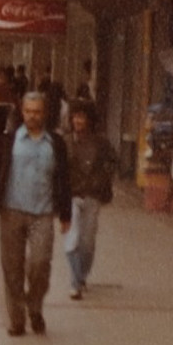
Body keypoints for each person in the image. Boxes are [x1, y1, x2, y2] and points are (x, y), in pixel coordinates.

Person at [0, 91, 73, 337]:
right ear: (22, 112)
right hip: (11, 212)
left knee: (40, 263)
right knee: (12, 268)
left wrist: (66, 213)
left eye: (37, 112)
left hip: (43, 214)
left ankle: (35, 306)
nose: (32, 116)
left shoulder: (55, 143)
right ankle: (17, 319)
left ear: (45, 113)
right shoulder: (8, 141)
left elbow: (64, 178)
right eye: (28, 111)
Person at [64, 100, 118, 300]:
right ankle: (75, 281)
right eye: (75, 116)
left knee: (87, 242)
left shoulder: (100, 143)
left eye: (81, 117)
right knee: (72, 239)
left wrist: (101, 180)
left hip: (92, 196)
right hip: (71, 195)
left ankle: (82, 274)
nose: (77, 121)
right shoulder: (66, 142)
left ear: (89, 119)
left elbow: (113, 162)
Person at [0, 65, 15, 137]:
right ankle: (0, 138)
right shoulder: (8, 82)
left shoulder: (2, 82)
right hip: (3, 104)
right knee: (1, 124)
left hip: (1, 104)